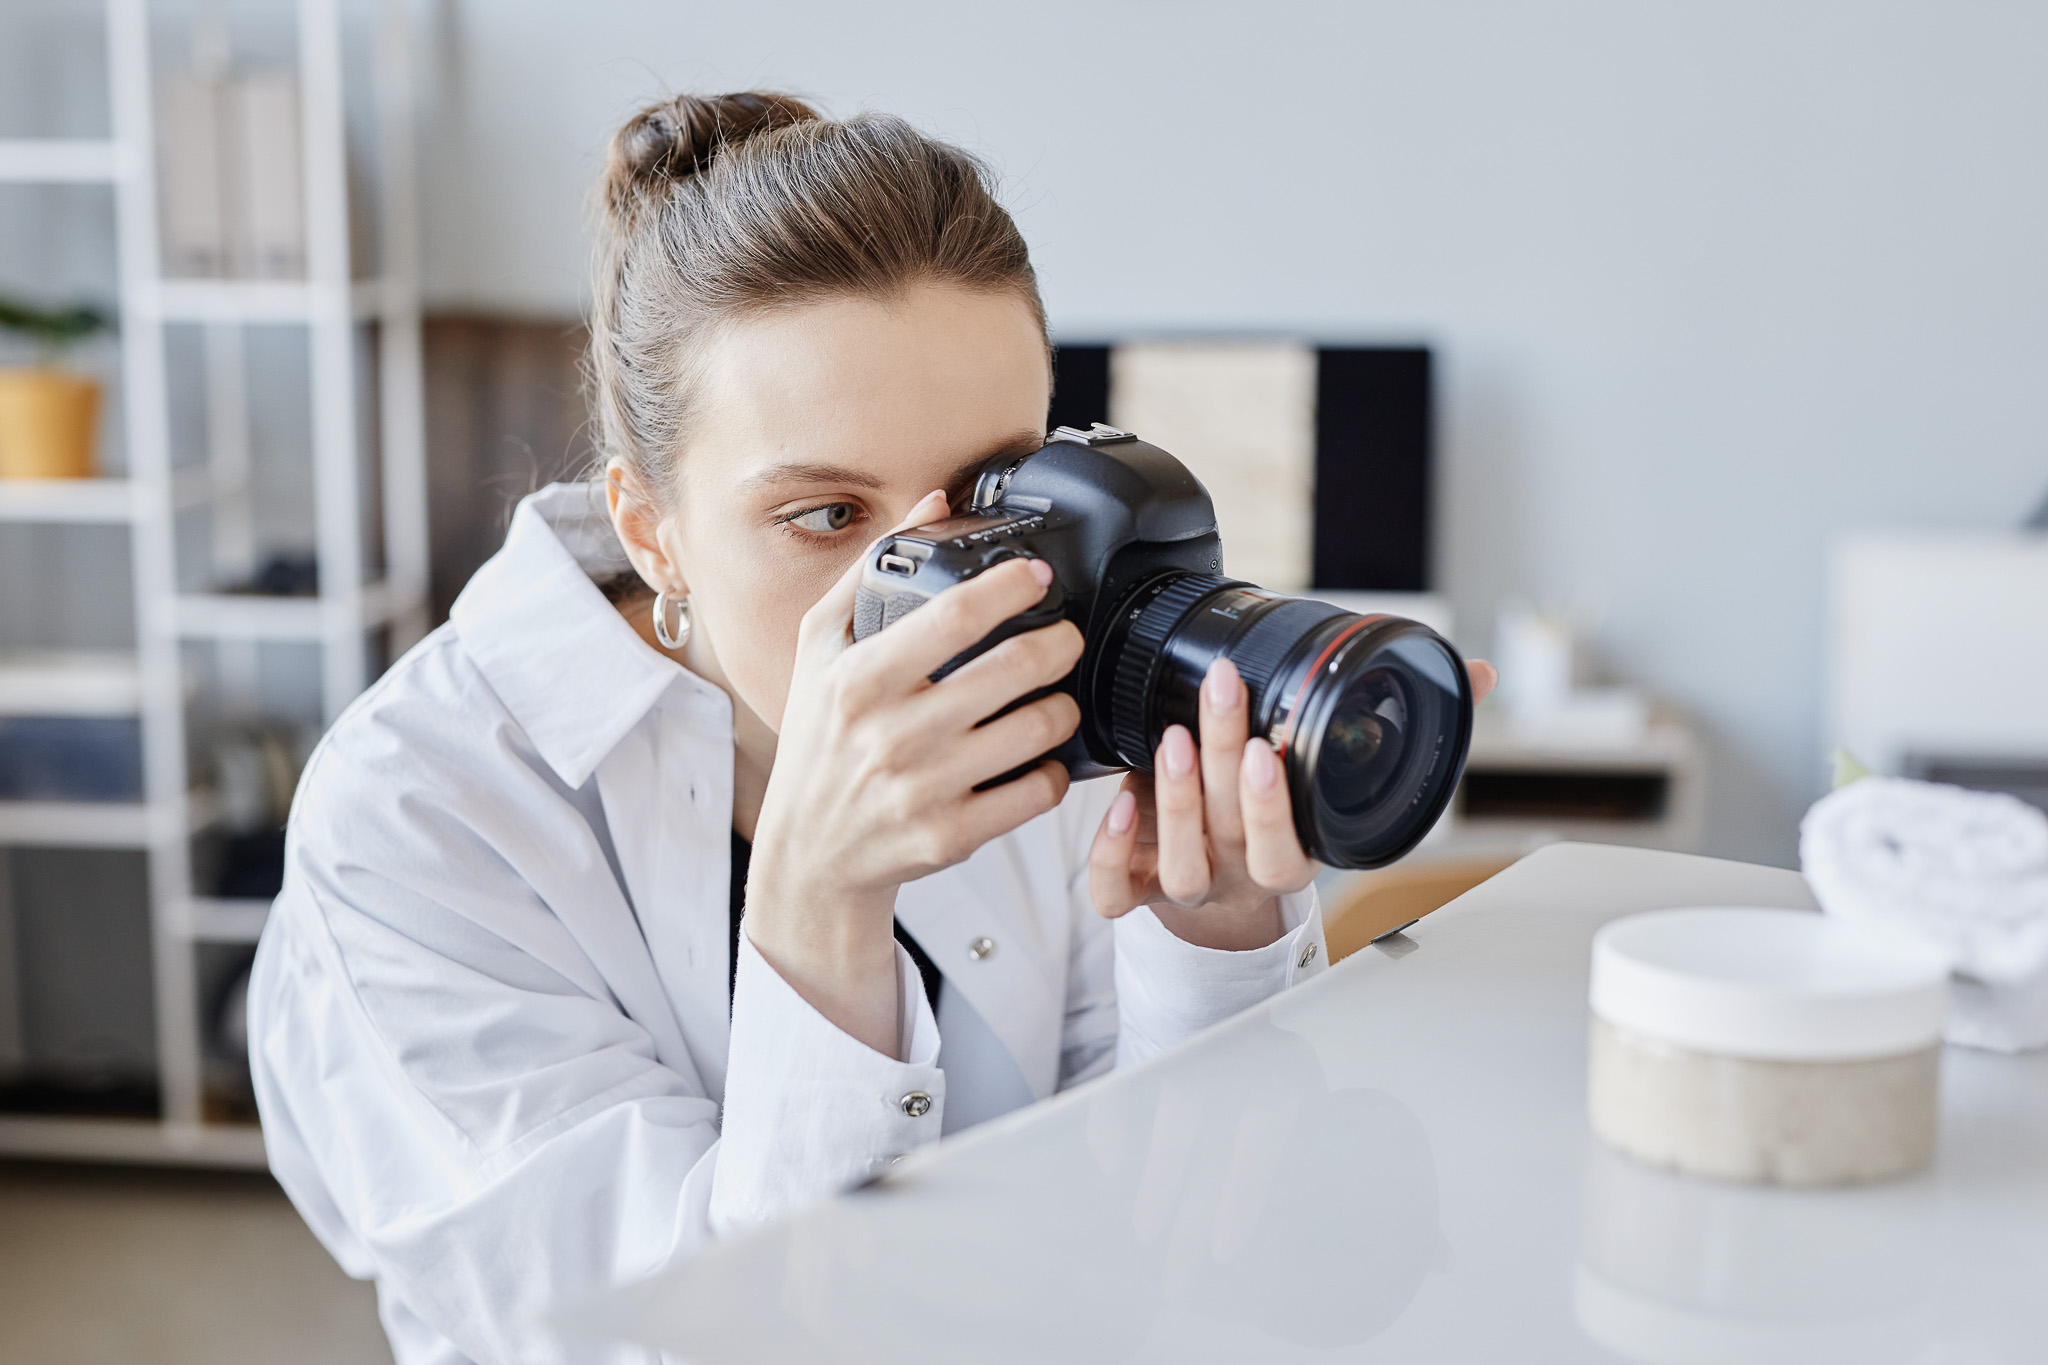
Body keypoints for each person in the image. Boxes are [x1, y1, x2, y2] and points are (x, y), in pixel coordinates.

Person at [248, 92, 1496, 1365]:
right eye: (826, 518)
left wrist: (1214, 937)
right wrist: (811, 910)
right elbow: (637, 1345)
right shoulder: (410, 821)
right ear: (648, 529)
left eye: (993, 498)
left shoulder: (1050, 653)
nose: (939, 596)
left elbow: (1155, 1239)